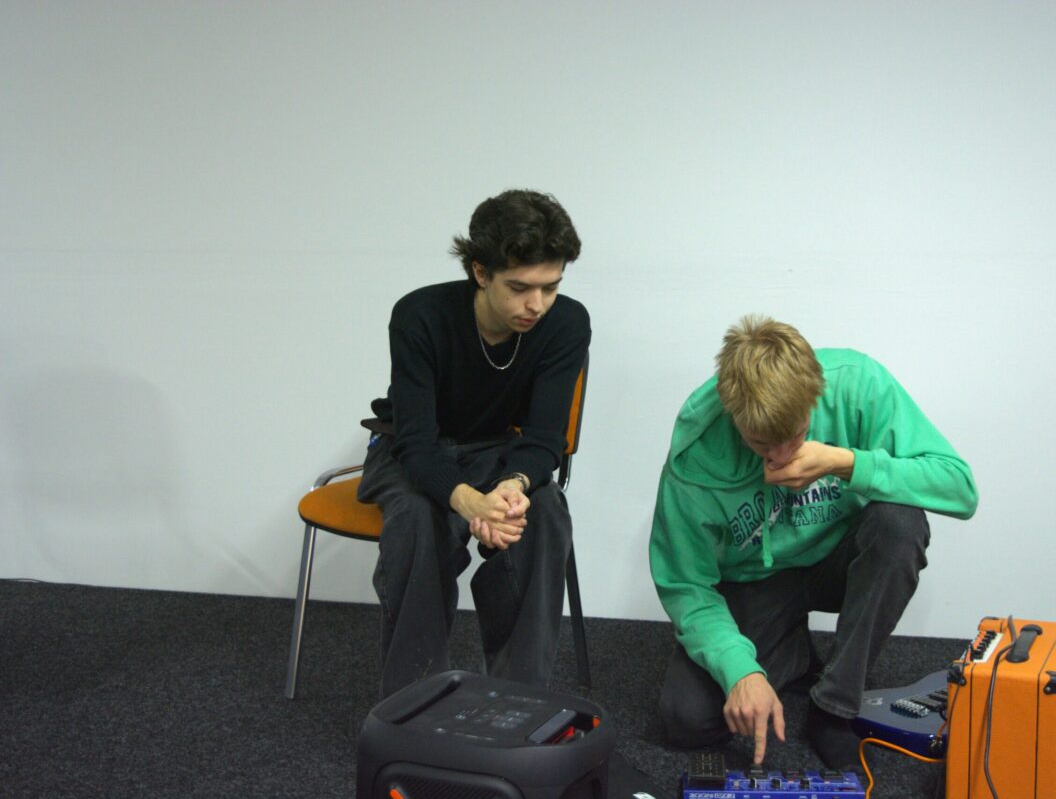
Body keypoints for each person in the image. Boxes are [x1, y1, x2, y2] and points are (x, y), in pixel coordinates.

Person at [649, 315, 977, 768]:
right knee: (686, 720)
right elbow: (687, 586)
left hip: (836, 560)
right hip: (756, 580)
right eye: (762, 443)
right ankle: (791, 652)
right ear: (731, 412)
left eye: (796, 436)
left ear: (815, 394)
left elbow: (960, 488)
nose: (783, 459)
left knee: (899, 524)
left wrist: (844, 463)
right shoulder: (696, 458)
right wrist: (740, 671)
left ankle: (834, 705)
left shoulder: (857, 384)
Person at [358, 189, 590, 699]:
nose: (536, 305)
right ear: (480, 272)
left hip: (497, 451)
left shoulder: (566, 323)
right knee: (419, 519)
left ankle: (517, 699)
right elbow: (416, 444)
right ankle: (413, 702)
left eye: (550, 287)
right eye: (520, 287)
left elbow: (546, 438)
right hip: (412, 449)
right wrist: (468, 502)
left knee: (545, 512)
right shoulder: (420, 315)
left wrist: (511, 487)